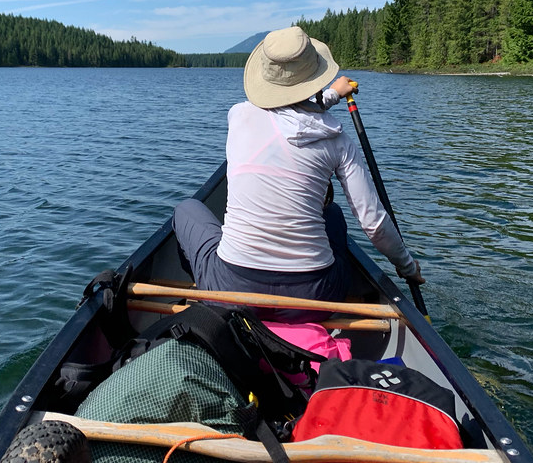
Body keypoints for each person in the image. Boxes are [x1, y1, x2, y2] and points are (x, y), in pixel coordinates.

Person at [173, 26, 424, 314]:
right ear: (314, 77)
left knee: (186, 209)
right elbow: (373, 224)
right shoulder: (338, 141)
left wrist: (329, 97)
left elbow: (287, 114)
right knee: (333, 214)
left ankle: (204, 297)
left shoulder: (239, 116)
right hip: (313, 296)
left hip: (232, 288)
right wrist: (406, 266)